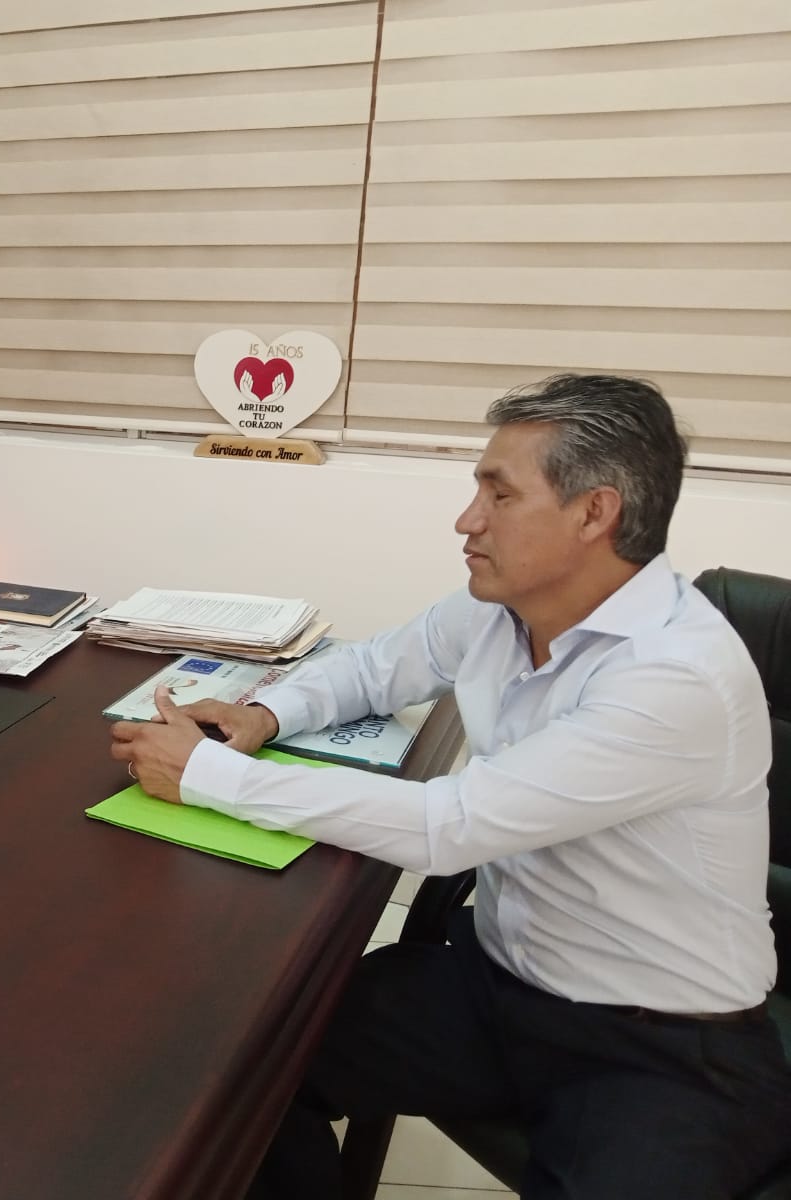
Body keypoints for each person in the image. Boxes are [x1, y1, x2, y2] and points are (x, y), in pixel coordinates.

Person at [110, 374, 791, 1200]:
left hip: (662, 1046)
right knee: (232, 1076)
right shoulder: (508, 605)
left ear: (593, 513)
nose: (467, 520)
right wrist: (262, 716)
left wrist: (208, 773)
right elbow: (373, 667)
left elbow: (449, 826)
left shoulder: (676, 674)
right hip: (497, 984)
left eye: (497, 494)